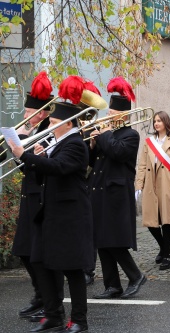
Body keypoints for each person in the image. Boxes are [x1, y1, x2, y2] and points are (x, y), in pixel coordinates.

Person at [9, 101, 93, 333]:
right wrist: (27, 158)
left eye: (54, 123)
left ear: (69, 124)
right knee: (40, 262)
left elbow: (59, 167)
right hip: (49, 212)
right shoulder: (58, 142)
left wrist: (27, 155)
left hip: (69, 215)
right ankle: (53, 315)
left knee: (72, 268)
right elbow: (41, 174)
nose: (50, 126)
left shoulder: (75, 143)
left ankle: (79, 320)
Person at [10, 72, 65, 323]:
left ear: (40, 113)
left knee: (41, 253)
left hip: (42, 196)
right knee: (23, 250)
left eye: (29, 111)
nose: (25, 116)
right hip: (29, 195)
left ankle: (48, 299)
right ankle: (39, 295)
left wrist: (20, 139)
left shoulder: (48, 129)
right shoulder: (33, 128)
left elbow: (33, 164)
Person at [89, 77, 146, 299]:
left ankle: (135, 275)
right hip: (100, 191)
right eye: (109, 114)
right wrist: (93, 145)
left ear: (122, 116)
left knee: (114, 239)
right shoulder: (107, 134)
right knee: (102, 240)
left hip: (116, 194)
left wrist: (103, 135)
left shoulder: (131, 135)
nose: (108, 118)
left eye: (111, 115)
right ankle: (112, 285)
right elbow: (95, 162)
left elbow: (117, 152)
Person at [135, 111, 170, 270]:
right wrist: (138, 185)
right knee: (151, 221)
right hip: (150, 183)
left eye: (159, 121)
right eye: (154, 121)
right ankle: (164, 247)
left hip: (167, 183)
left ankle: (166, 256)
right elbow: (142, 165)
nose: (156, 124)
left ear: (166, 123)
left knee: (166, 220)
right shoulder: (148, 142)